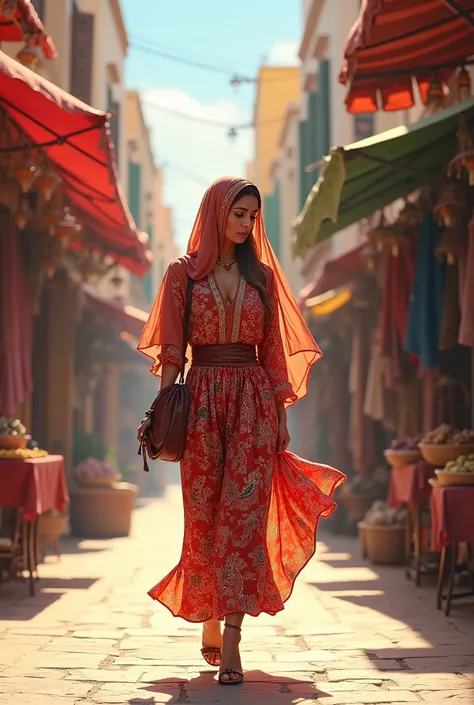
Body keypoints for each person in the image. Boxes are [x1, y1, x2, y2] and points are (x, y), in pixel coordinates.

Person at [137, 177, 345, 686]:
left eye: (253, 216)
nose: (246, 223)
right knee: (205, 517)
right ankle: (208, 611)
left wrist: (282, 419)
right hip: (202, 403)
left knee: (243, 519)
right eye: (238, 213)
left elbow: (274, 353)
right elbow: (170, 351)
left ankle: (232, 636)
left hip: (254, 404)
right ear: (215, 213)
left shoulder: (263, 279)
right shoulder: (181, 275)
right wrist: (166, 412)